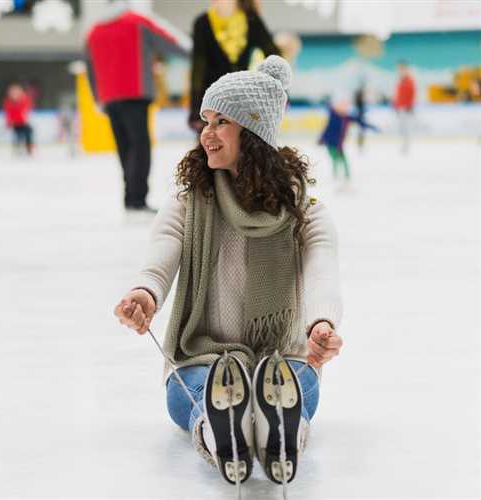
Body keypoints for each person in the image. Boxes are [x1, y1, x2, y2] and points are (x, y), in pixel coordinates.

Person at [113, 56, 343, 490]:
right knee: (193, 388)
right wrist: (144, 294)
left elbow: (322, 269)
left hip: (280, 356)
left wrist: (322, 323)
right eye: (205, 120)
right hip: (204, 353)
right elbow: (162, 253)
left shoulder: (304, 213)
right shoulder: (189, 204)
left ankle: (284, 430)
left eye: (221, 121)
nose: (207, 133)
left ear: (252, 132)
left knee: (296, 381)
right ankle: (216, 430)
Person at [86, 4, 189, 213]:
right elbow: (168, 42)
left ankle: (130, 198)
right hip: (135, 92)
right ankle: (137, 200)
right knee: (140, 147)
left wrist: (98, 97)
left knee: (124, 147)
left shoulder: (94, 31)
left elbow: (90, 67)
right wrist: (196, 52)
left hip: (109, 97)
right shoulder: (136, 21)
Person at [188, 0, 279, 133]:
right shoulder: (202, 23)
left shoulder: (251, 19)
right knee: (212, 149)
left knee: (244, 150)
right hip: (211, 101)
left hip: (243, 101)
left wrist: (275, 92)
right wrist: (195, 108)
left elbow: (274, 57)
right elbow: (198, 68)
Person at [318, 95, 377, 186]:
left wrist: (372, 127)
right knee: (335, 159)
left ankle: (347, 176)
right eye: (341, 106)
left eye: (346, 106)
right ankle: (336, 176)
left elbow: (361, 122)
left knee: (344, 160)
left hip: (339, 144)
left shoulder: (347, 117)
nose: (343, 108)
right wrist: (321, 139)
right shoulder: (333, 114)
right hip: (330, 143)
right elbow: (327, 128)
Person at [3, 84, 34, 156]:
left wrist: (26, 116)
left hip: (24, 122)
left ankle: (29, 149)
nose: (15, 94)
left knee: (28, 133)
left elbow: (28, 108)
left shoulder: (24, 99)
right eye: (13, 92)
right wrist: (8, 122)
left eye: (16, 91)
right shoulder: (8, 102)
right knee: (18, 135)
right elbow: (8, 113)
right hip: (15, 123)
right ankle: (17, 148)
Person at [393, 61, 416, 154]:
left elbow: (412, 94)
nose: (400, 70)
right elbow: (398, 95)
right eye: (399, 69)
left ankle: (406, 146)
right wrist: (395, 105)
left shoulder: (409, 80)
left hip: (406, 108)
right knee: (402, 128)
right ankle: (404, 145)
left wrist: (410, 106)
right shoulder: (400, 80)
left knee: (406, 128)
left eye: (401, 68)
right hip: (400, 108)